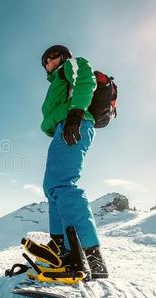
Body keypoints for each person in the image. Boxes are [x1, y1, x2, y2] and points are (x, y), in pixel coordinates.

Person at [40, 45, 108, 279]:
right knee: (53, 187)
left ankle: (89, 257)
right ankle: (62, 250)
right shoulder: (57, 80)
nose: (48, 62)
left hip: (74, 124)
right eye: (45, 61)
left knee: (62, 185)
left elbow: (85, 82)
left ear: (63, 56)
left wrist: (75, 116)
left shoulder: (73, 64)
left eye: (52, 56)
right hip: (64, 128)